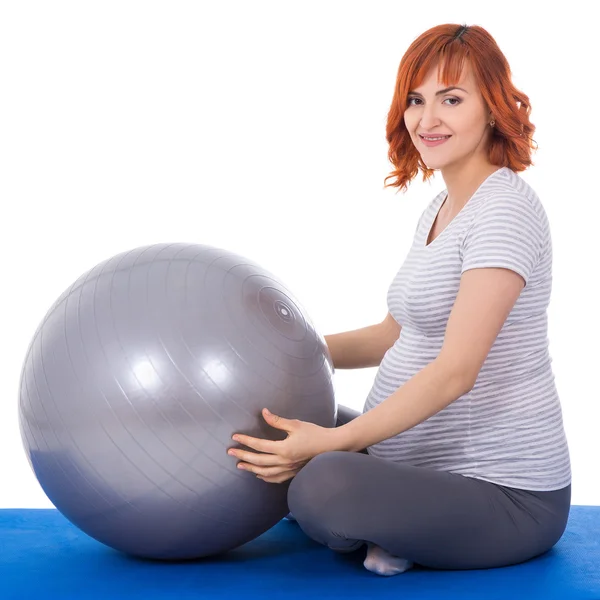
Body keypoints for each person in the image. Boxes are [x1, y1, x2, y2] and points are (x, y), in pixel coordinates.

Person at [226, 23, 572, 576]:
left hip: (504, 495)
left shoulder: (505, 211)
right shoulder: (442, 209)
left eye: (451, 100)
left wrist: (335, 441)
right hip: (416, 465)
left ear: (493, 106)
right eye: (416, 100)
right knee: (271, 426)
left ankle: (398, 525)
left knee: (320, 484)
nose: (426, 119)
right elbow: (393, 334)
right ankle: (394, 517)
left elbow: (457, 371)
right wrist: (280, 352)